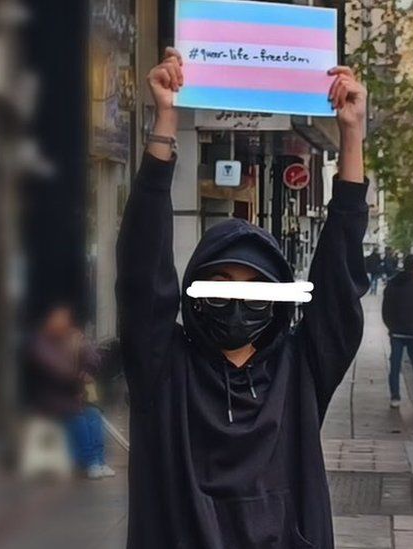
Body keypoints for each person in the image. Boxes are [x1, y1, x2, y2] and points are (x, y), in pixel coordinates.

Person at [116, 48, 368, 548]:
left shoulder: (301, 369)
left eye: (254, 287)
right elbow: (142, 268)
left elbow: (339, 276)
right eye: (221, 282)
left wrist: (353, 135)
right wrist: (165, 122)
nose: (236, 300)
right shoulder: (163, 367)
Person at [27, 304, 115, 479]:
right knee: (78, 416)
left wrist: (87, 370)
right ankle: (90, 462)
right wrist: (76, 383)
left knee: (94, 413)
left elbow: (93, 356)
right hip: (55, 395)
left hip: (79, 391)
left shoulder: (75, 338)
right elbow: (54, 370)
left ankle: (99, 461)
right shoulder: (42, 343)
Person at [382, 254, 413, 408]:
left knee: (395, 366)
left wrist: (391, 326)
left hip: (396, 331)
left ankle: (395, 397)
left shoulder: (392, 283)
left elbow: (385, 309)